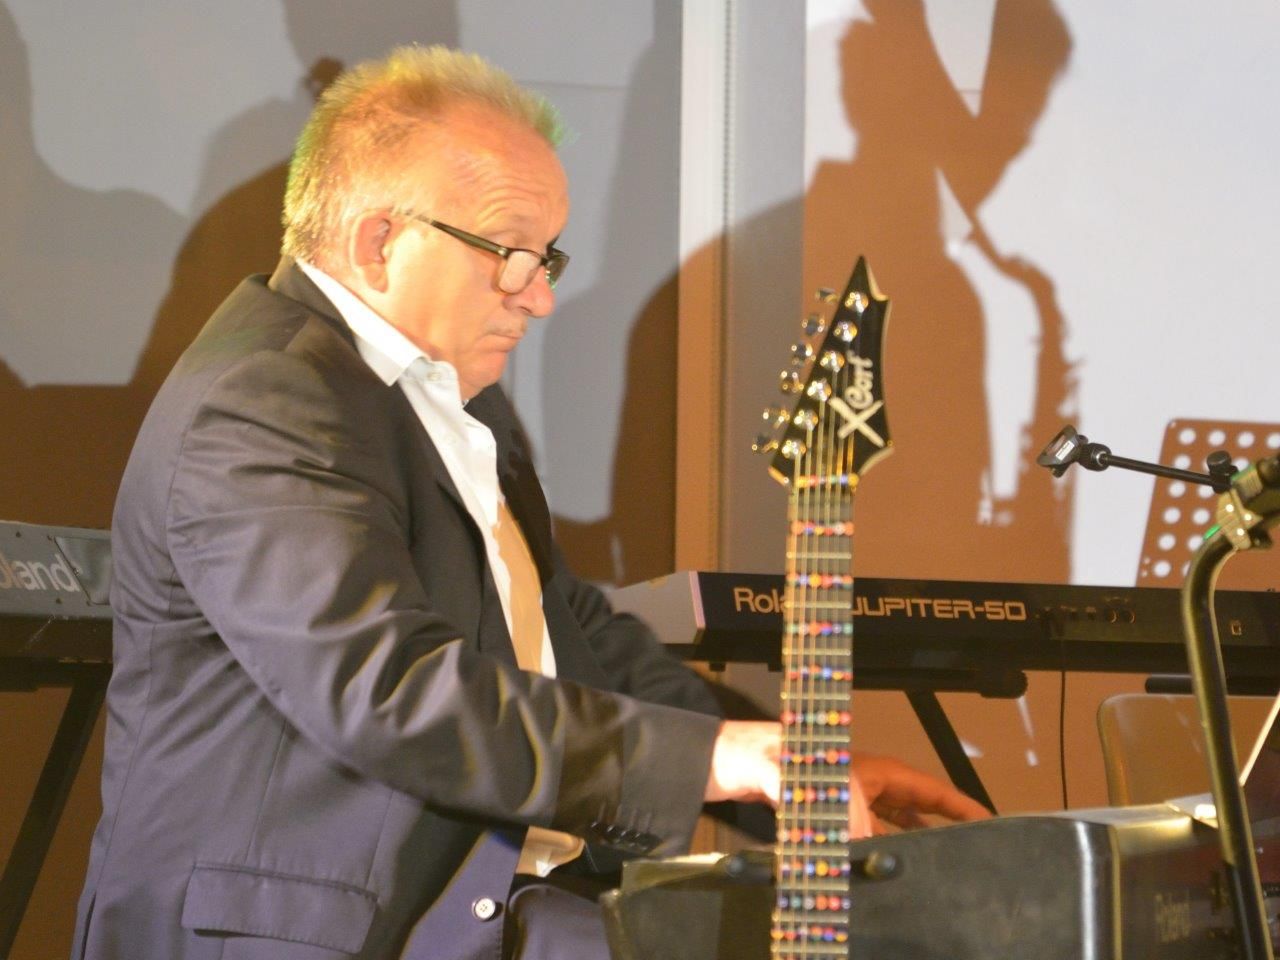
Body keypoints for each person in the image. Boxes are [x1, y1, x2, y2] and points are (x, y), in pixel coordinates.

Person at [72, 46, 987, 960]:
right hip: (307, 934)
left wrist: (783, 760)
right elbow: (387, 687)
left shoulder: (450, 395)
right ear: (378, 241)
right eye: (510, 255)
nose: (539, 297)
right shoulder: (264, 400)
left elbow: (558, 623)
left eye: (546, 257)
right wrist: (714, 761)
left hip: (481, 912)